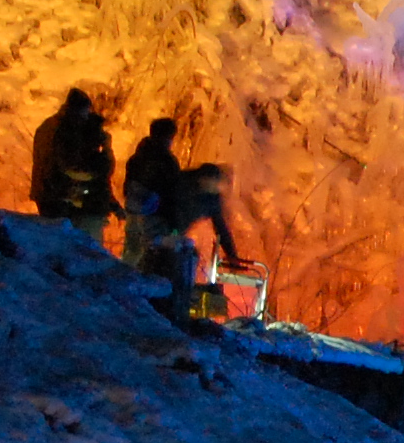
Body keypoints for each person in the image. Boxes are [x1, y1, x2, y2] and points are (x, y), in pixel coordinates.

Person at [122, 117, 247, 305]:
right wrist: (169, 231)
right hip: (154, 221)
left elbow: (220, 226)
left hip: (159, 223)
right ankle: (133, 294)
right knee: (146, 256)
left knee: (170, 256)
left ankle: (162, 296)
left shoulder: (210, 199)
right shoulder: (181, 182)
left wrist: (232, 255)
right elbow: (169, 204)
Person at [28, 91, 118, 243]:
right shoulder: (66, 129)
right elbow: (71, 166)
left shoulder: (48, 125)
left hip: (45, 191)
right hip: (59, 194)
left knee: (55, 239)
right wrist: (103, 157)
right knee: (70, 241)